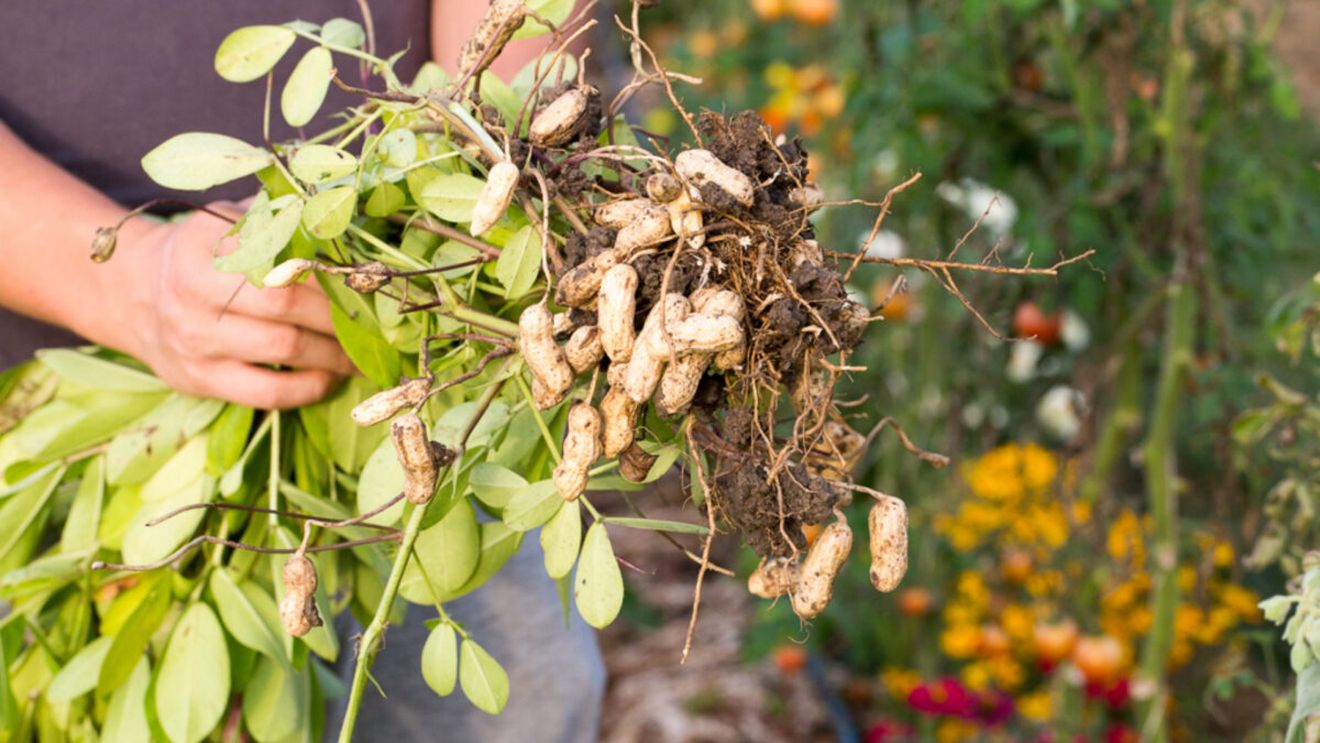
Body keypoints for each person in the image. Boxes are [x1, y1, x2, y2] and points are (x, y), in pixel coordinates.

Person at [0, 2, 605, 741]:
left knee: (520, 708)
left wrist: (503, 151)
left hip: (429, 326)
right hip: (48, 375)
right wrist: (124, 284)